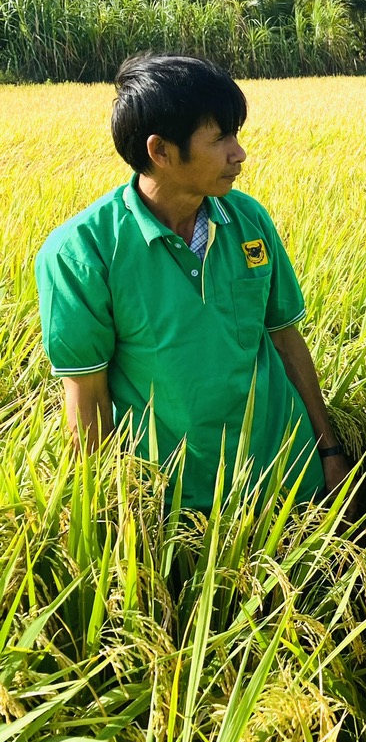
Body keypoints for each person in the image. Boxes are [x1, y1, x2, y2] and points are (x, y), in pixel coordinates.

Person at [36, 54, 349, 511]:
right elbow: (87, 397)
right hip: (176, 504)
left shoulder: (248, 221)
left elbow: (285, 340)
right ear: (160, 151)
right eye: (220, 137)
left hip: (288, 480)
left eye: (236, 134)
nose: (238, 152)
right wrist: (106, 516)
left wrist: (330, 450)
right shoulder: (82, 254)